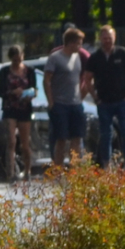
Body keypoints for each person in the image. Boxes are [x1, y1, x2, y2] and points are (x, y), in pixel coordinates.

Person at [88, 26, 125, 170]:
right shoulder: (95, 57)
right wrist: (95, 97)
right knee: (105, 134)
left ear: (114, 38)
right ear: (100, 39)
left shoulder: (122, 53)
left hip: (122, 100)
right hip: (104, 102)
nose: (107, 41)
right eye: (104, 38)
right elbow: (87, 78)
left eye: (110, 38)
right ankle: (106, 166)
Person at [42, 26, 89, 168]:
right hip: (60, 104)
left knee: (77, 137)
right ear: (71, 43)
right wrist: (51, 102)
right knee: (61, 139)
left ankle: (74, 169)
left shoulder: (78, 57)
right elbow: (47, 80)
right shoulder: (55, 58)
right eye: (78, 43)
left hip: (75, 104)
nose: (80, 46)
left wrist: (81, 96)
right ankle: (58, 168)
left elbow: (81, 79)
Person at [0, 46, 36, 180]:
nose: (17, 62)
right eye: (15, 60)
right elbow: (0, 91)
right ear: (11, 58)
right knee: (11, 140)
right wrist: (12, 92)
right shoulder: (5, 71)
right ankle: (10, 173)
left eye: (19, 59)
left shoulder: (29, 71)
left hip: (24, 109)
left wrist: (28, 94)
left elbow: (35, 89)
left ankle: (28, 171)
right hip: (10, 108)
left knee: (25, 143)